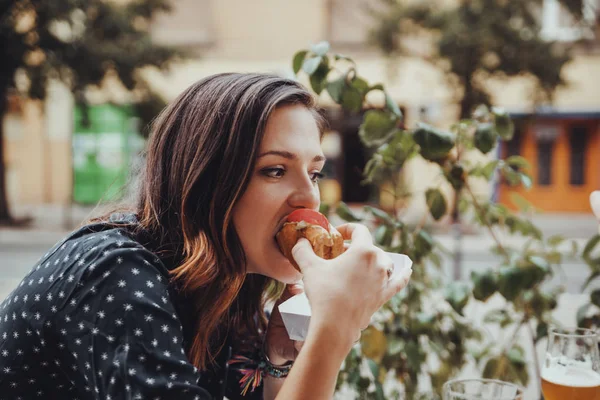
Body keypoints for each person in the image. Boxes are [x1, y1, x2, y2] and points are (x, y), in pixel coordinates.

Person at [0, 73, 412, 399]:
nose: (309, 197)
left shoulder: (231, 286)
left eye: (315, 172)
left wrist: (277, 363)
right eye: (274, 170)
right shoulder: (114, 273)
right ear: (207, 185)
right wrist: (333, 328)